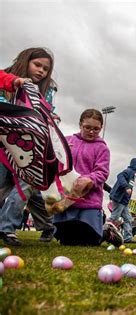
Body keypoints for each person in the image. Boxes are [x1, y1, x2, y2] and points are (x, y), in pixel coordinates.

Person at [0, 48, 57, 246]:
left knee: (26, 184)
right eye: (37, 65)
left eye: (46, 69)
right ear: (26, 61)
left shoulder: (46, 89)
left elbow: (45, 110)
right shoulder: (7, 79)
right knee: (8, 185)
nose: (41, 71)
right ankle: (47, 225)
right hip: (4, 142)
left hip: (31, 146)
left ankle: (6, 228)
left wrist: (51, 117)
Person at [53, 109, 122, 246]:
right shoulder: (66, 141)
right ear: (80, 125)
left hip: (89, 201)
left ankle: (107, 232)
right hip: (66, 199)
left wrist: (89, 180)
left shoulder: (102, 148)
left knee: (88, 241)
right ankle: (100, 231)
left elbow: (102, 172)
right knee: (67, 241)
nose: (91, 132)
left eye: (96, 129)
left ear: (101, 128)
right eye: (88, 127)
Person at [107, 158, 136, 244]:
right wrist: (126, 187)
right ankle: (102, 233)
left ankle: (128, 238)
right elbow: (120, 176)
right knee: (114, 218)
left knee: (128, 218)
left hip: (124, 201)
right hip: (119, 199)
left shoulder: (133, 175)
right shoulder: (129, 171)